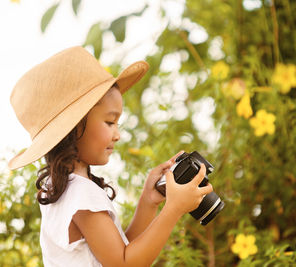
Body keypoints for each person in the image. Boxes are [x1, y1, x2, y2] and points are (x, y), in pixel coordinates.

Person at [8, 46, 213, 266]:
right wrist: (173, 209)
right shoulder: (80, 194)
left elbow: (120, 252)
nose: (118, 135)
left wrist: (148, 201)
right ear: (75, 128)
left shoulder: (64, 186)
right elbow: (125, 264)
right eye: (110, 122)